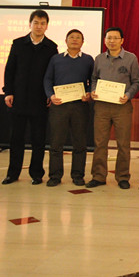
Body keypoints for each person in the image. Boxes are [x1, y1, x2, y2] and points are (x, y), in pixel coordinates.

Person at [2, 9, 58, 185]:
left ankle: (36, 173)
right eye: (36, 23)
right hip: (18, 98)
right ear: (30, 24)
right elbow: (9, 70)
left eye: (42, 23)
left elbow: (53, 74)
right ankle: (13, 173)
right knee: (16, 138)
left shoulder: (51, 47)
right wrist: (8, 92)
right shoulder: (18, 44)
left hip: (40, 100)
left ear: (47, 26)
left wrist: (50, 94)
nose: (39, 26)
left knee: (38, 139)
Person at [88, 27, 139, 189]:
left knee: (123, 143)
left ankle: (123, 177)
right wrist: (93, 91)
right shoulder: (99, 59)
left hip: (122, 106)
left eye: (115, 38)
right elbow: (94, 79)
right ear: (105, 40)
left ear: (122, 40)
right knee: (100, 143)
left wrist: (128, 95)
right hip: (101, 106)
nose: (112, 41)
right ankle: (98, 176)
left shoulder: (131, 58)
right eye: (109, 38)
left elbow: (136, 82)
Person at [42, 29, 94, 187]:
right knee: (56, 143)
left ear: (83, 42)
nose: (75, 40)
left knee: (80, 143)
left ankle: (78, 175)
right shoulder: (56, 59)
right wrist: (51, 95)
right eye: (72, 37)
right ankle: (55, 176)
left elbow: (93, 80)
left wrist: (88, 92)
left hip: (80, 106)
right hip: (59, 105)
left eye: (78, 38)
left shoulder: (88, 60)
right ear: (66, 41)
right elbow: (47, 79)